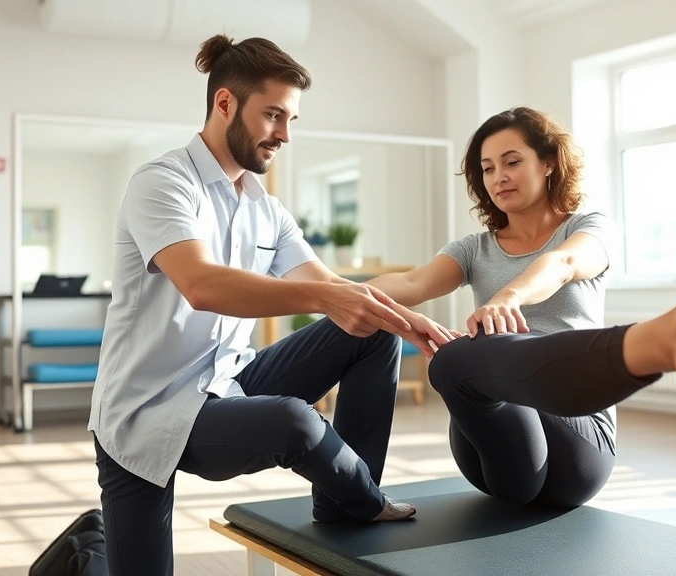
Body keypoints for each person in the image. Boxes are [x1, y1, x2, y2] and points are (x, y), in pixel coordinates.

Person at [88, 35, 456, 576]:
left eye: (292, 119)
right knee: (294, 422)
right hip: (147, 411)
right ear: (225, 103)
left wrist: (403, 319)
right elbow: (202, 284)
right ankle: (83, 554)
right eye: (273, 115)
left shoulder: (266, 209)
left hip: (231, 383)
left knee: (370, 331)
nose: (284, 134)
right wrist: (330, 296)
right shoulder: (162, 184)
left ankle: (346, 508)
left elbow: (330, 285)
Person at [368, 107, 676, 509]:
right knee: (456, 360)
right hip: (494, 455)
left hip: (576, 446)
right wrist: (334, 292)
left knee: (460, 356)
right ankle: (670, 337)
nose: (498, 177)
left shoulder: (588, 228)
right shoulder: (473, 249)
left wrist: (509, 295)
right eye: (488, 169)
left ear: (548, 163)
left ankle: (673, 336)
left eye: (512, 162)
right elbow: (410, 283)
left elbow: (562, 265)